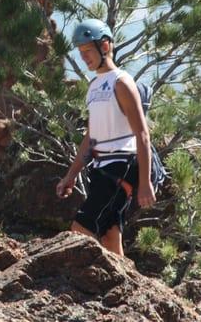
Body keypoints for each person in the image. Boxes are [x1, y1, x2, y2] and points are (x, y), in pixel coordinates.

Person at [55, 19, 156, 256]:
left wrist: (145, 183)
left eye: (88, 51)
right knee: (110, 236)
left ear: (105, 46)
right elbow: (91, 137)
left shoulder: (121, 82)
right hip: (101, 166)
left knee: (80, 229)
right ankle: (130, 289)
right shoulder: (94, 86)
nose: (84, 57)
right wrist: (70, 175)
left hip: (122, 166)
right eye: (81, 53)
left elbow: (142, 133)